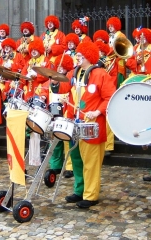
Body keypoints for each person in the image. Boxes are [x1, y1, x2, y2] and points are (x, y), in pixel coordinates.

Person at [50, 41, 116, 208]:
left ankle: (91, 195)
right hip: (75, 123)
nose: (77, 57)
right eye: (77, 55)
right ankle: (79, 190)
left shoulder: (100, 74)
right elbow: (65, 89)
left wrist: (98, 111)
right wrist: (55, 83)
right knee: (77, 159)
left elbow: (111, 97)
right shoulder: (75, 73)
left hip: (92, 125)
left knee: (91, 162)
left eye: (80, 55)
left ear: (88, 56)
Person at [40, 54, 74, 177]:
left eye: (63, 67)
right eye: (59, 67)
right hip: (53, 113)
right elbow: (44, 88)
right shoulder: (51, 79)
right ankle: (56, 165)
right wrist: (43, 96)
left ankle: (70, 167)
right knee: (54, 140)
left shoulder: (70, 79)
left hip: (65, 113)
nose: (60, 69)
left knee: (67, 141)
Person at [106, 16, 127, 88]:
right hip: (111, 61)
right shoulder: (109, 36)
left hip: (118, 61)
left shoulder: (121, 35)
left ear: (116, 25)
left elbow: (119, 48)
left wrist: (107, 53)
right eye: (109, 26)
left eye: (112, 26)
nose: (110, 27)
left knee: (118, 79)